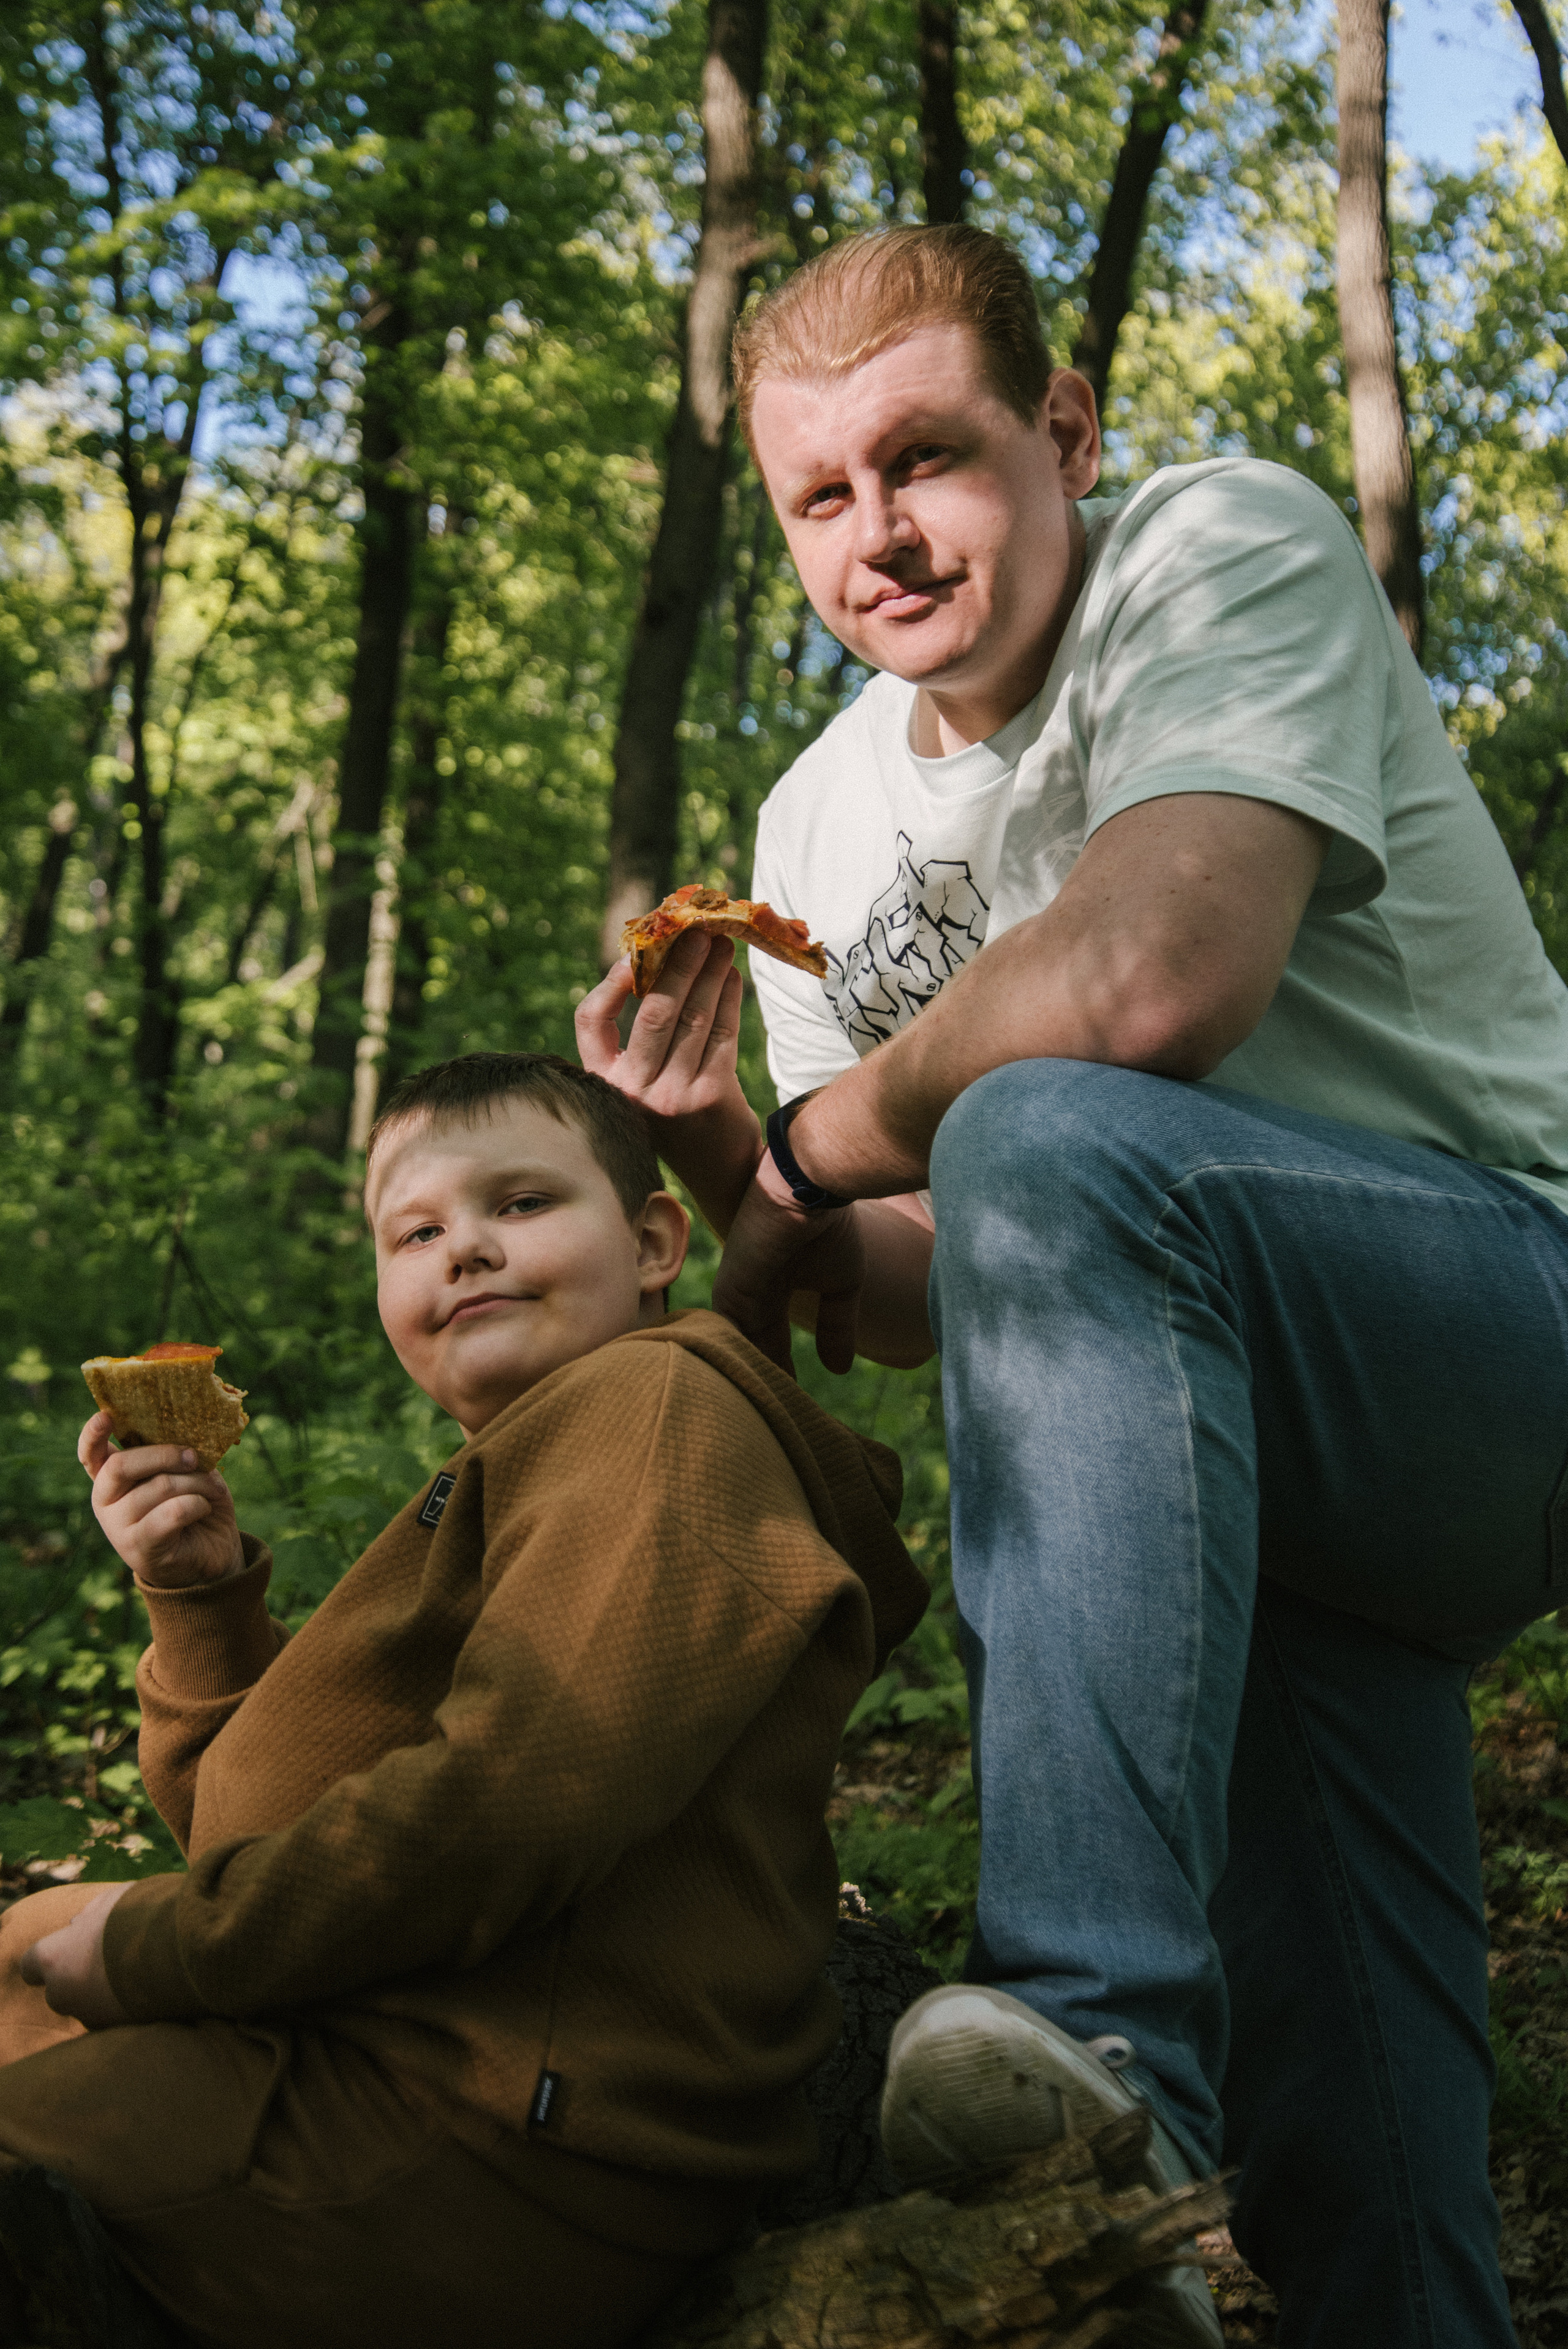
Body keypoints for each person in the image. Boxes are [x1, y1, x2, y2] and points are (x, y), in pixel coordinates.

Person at [576, 224, 1568, 2347]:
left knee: (1042, 1116)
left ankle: (1085, 2055)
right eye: (819, 498)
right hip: (1232, 1475)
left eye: (925, 458)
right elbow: (952, 1288)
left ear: (1065, 428)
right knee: (1372, 2176)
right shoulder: (820, 819)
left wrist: (818, 1145)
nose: (880, 536)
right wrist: (731, 1181)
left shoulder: (1220, 546)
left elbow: (1146, 980)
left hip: (1502, 1332)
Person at [0, 1051, 926, 2349]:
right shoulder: (507, 1475)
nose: (466, 1252)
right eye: (416, 1232)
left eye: (522, 1205)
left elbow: (516, 1793)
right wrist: (200, 1599)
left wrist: (164, 1949)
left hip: (496, 2147)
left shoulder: (655, 1406)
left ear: (658, 1239)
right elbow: (250, 1840)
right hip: (373, 2067)